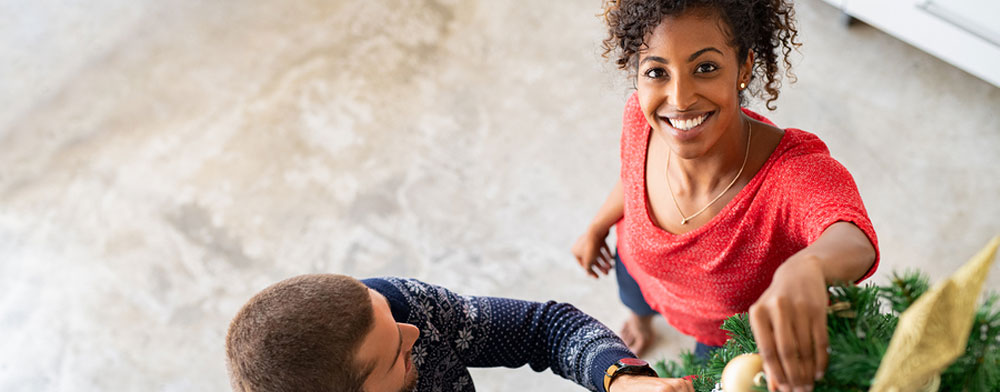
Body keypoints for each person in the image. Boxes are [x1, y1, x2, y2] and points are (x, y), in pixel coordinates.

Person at [571, 1, 879, 391]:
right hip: (638, 267)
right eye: (657, 72)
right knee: (635, 300)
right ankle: (641, 318)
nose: (679, 99)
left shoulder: (790, 174)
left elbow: (851, 234)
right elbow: (631, 177)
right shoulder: (639, 117)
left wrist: (810, 267)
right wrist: (598, 225)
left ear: (745, 67)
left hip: (717, 336)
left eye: (705, 68)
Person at [225, 273, 694, 392]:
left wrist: (621, 377)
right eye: (396, 355)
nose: (415, 333)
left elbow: (542, 328)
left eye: (391, 317)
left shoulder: (399, 306)